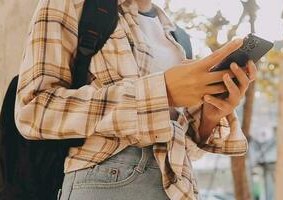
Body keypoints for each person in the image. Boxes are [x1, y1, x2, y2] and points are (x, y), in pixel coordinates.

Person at [14, 0, 257, 199]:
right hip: (105, 181)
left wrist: (210, 116)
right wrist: (162, 92)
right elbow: (33, 110)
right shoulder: (75, 4)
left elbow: (185, 148)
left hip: (178, 187)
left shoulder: (177, 37)